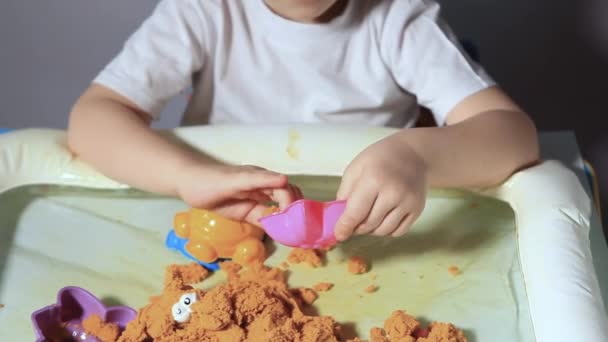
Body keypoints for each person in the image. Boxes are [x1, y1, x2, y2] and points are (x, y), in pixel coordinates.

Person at [67, 0, 539, 242]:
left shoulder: (398, 18)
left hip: (368, 225)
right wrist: (187, 176)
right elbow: (94, 118)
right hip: (227, 212)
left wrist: (417, 156)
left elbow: (512, 134)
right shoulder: (203, 10)